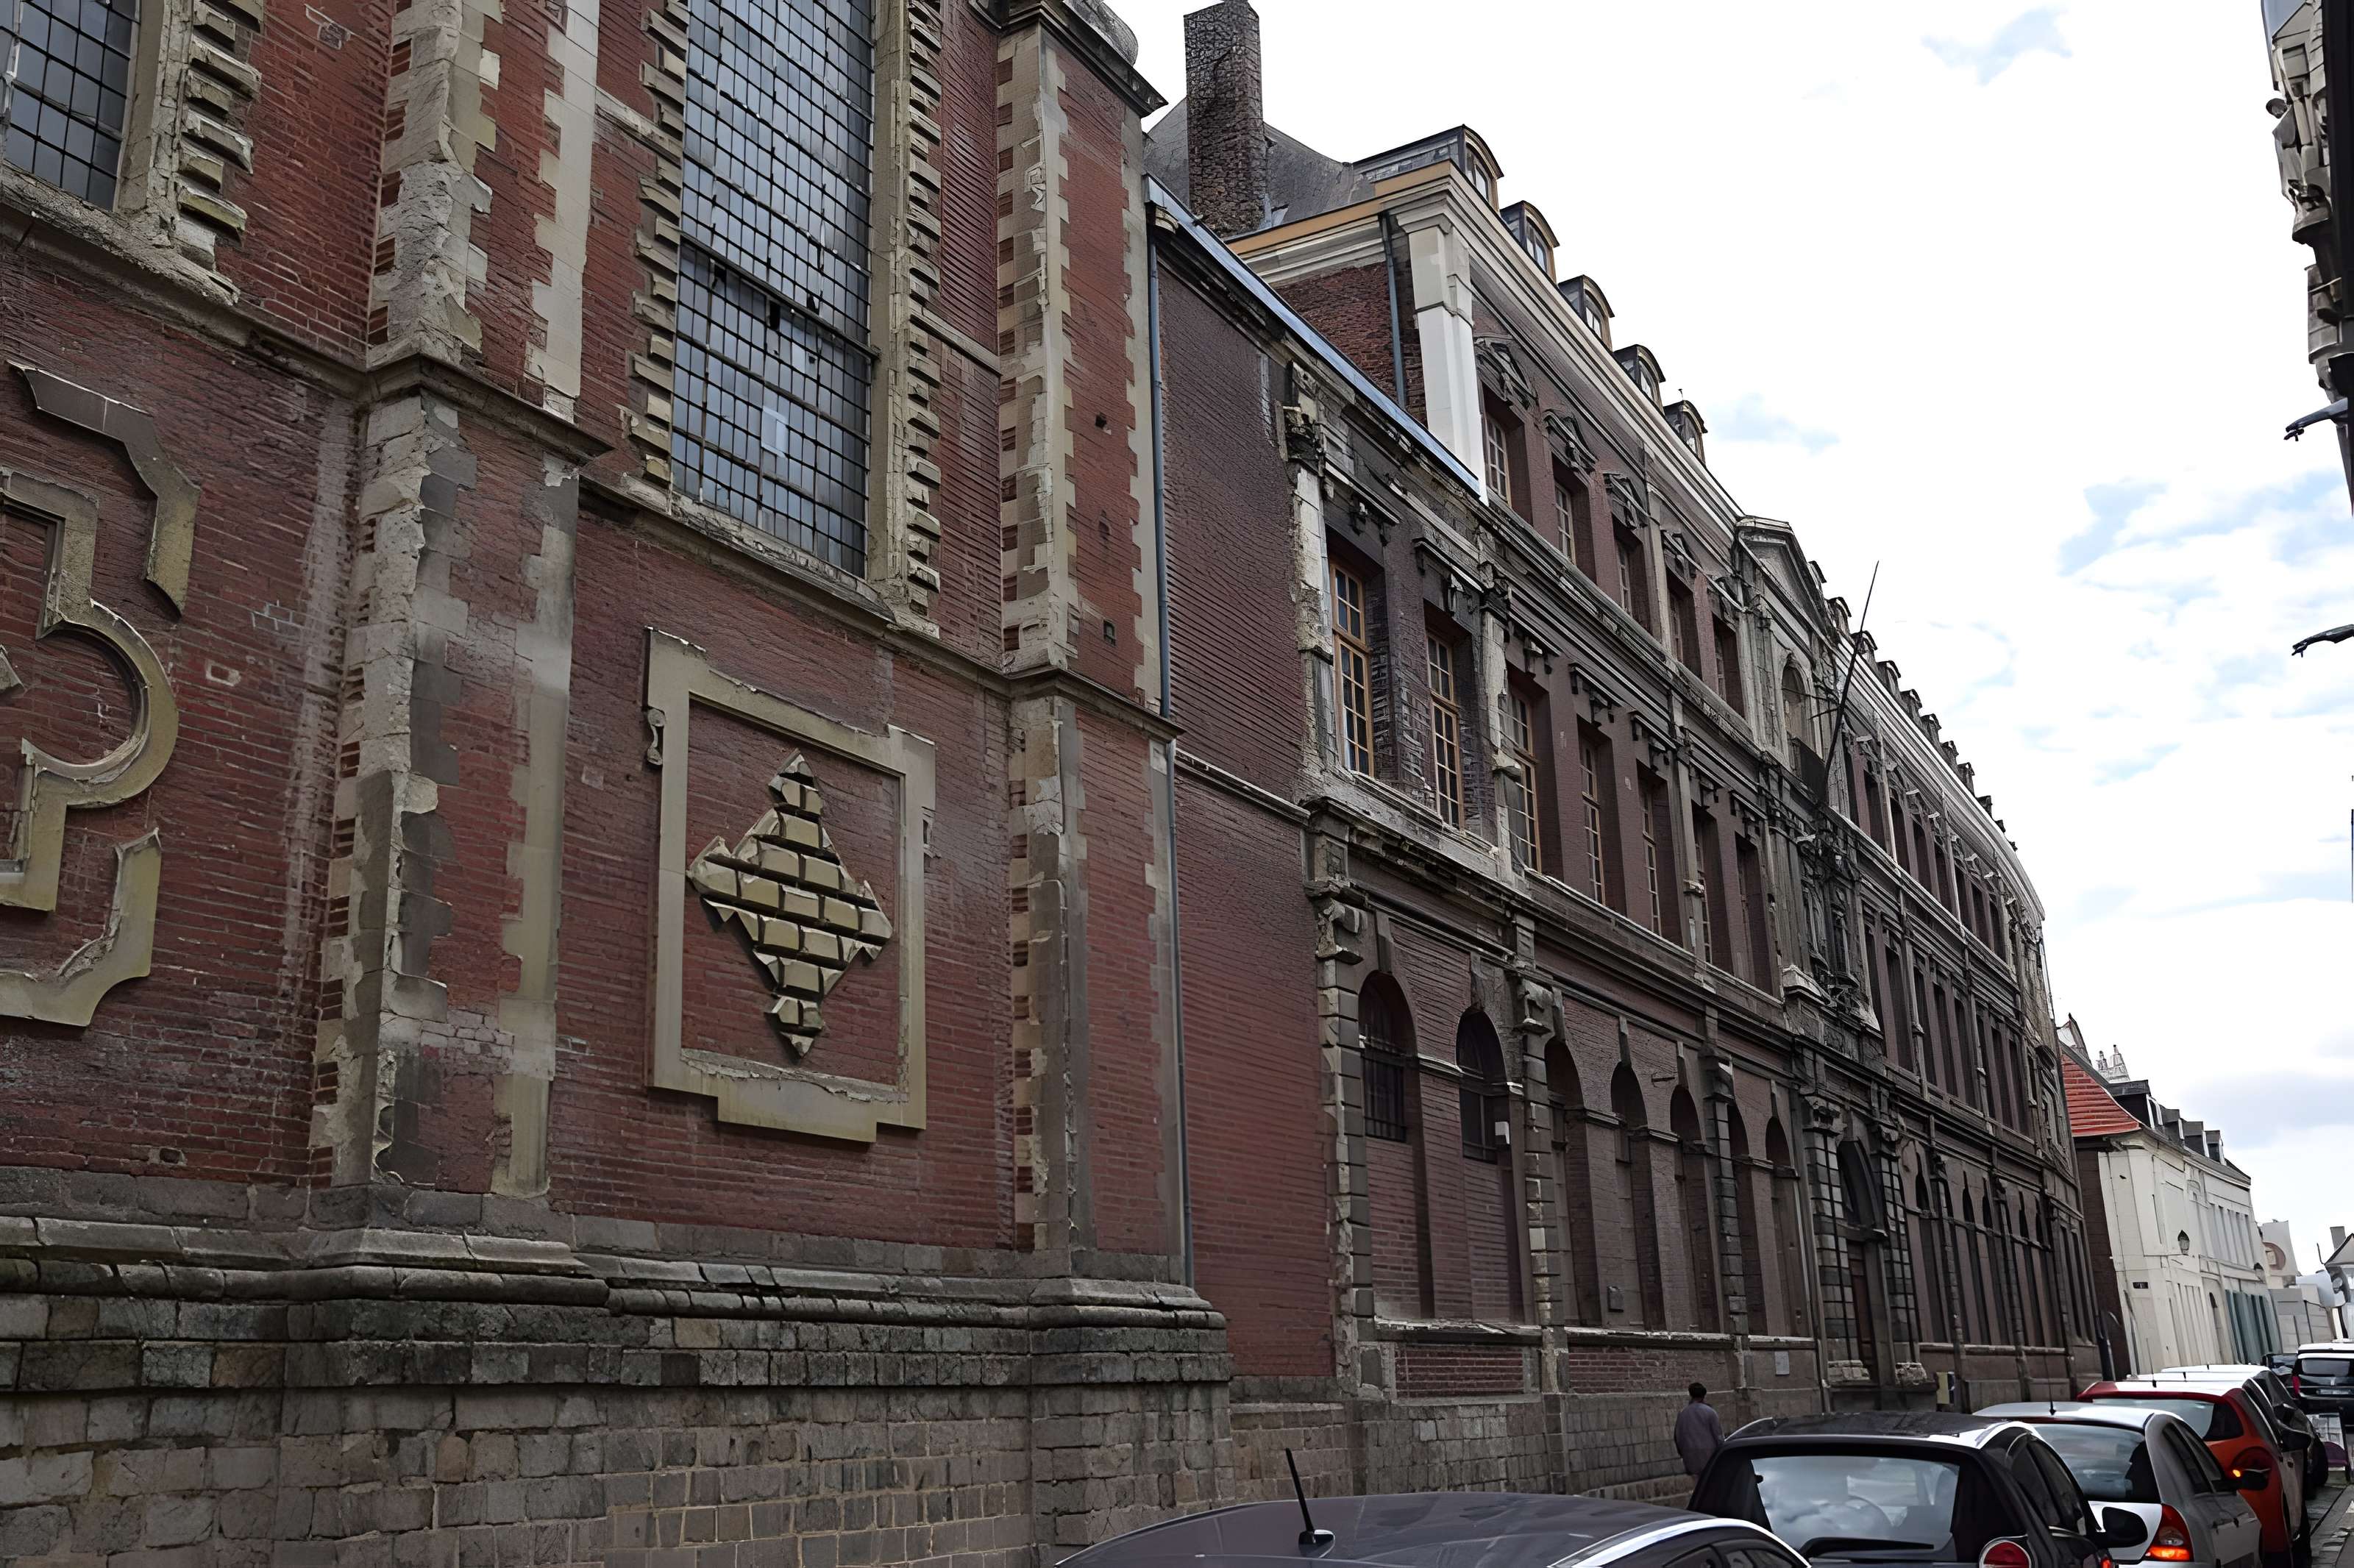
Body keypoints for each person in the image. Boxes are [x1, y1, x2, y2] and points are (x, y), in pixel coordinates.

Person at [1675, 1381, 1724, 1489]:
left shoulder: (1683, 1413)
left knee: (1698, 1487)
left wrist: (1683, 1454)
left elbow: (1678, 1437)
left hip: (1690, 1456)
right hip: (1710, 1456)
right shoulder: (1710, 1412)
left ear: (1691, 1394)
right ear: (1704, 1396)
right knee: (1712, 1486)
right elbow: (1719, 1437)